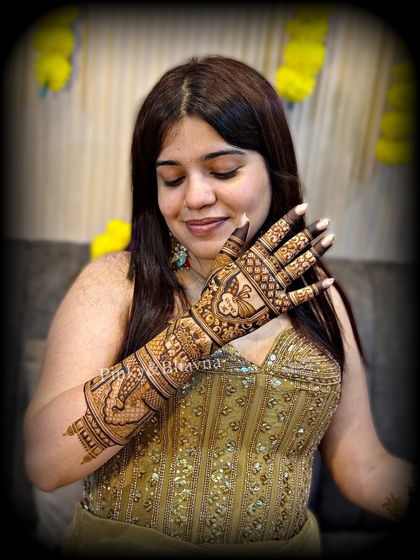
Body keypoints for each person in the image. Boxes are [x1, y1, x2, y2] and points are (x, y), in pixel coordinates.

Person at [23, 55, 415, 558]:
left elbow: (363, 468)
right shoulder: (118, 284)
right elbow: (46, 462)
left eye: (224, 170)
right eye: (172, 179)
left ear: (274, 168)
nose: (197, 197)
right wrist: (203, 328)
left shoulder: (317, 296)